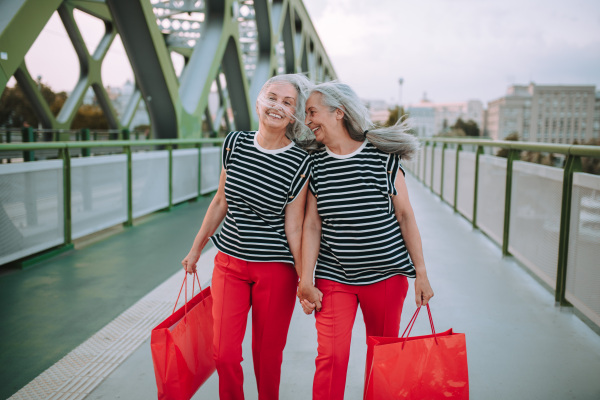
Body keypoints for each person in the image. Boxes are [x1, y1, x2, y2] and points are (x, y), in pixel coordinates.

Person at [297, 81, 434, 400]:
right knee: (330, 356)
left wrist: (421, 273)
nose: (308, 120)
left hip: (387, 275)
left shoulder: (382, 158)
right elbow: (312, 225)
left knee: (383, 357)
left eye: (313, 112)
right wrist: (306, 279)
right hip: (334, 277)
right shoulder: (315, 165)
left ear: (338, 113)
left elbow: (405, 216)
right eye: (306, 114)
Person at [181, 73, 312, 400]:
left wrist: (303, 279)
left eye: (287, 102)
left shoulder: (300, 161)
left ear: (295, 114)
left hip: (276, 271)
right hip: (229, 265)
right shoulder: (234, 142)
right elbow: (220, 200)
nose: (277, 107)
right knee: (224, 354)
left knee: (267, 359)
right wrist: (196, 249)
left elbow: (293, 226)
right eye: (272, 97)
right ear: (259, 100)